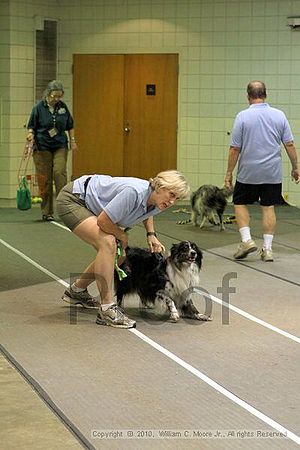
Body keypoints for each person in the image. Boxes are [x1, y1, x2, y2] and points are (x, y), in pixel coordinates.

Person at [56, 170, 190, 329]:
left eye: (177, 198)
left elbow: (148, 211)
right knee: (109, 243)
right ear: (160, 186)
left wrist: (151, 234)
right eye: (172, 194)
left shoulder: (158, 199)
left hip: (95, 206)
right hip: (75, 199)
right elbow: (103, 221)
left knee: (119, 257)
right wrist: (123, 236)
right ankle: (107, 309)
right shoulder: (133, 192)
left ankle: (77, 291)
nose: (172, 202)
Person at [224, 80, 300, 262]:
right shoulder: (279, 115)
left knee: (240, 202)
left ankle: (247, 240)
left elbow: (235, 148)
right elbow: (289, 143)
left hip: (248, 171)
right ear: (265, 94)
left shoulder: (242, 116)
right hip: (271, 172)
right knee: (268, 207)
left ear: (248, 96)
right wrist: (296, 167)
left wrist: (228, 174)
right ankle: (267, 249)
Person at [25, 80, 78, 221]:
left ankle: (65, 207)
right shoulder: (38, 108)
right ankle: (47, 211)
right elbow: (32, 126)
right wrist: (30, 135)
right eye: (54, 96)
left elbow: (70, 125)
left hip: (60, 144)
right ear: (48, 94)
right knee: (45, 179)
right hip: (42, 146)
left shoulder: (63, 107)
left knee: (59, 173)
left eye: (59, 96)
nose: (56, 99)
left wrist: (72, 140)